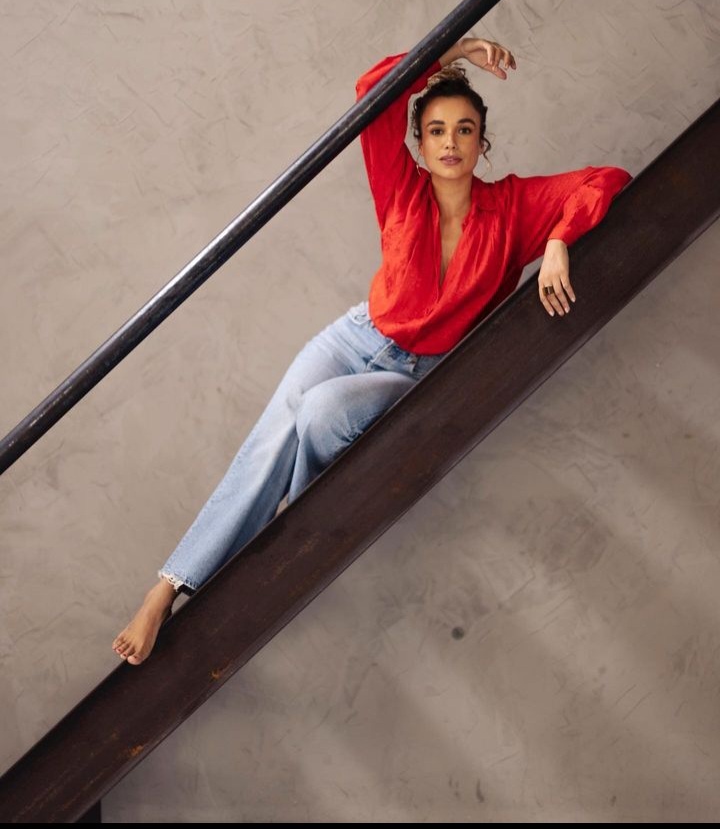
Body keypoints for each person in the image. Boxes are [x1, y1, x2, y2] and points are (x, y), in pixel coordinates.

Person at [112, 36, 631, 665]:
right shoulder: (399, 186)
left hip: (416, 375)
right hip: (354, 337)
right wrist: (457, 49)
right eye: (436, 130)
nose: (449, 142)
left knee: (319, 414)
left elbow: (606, 179)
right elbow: (371, 92)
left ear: (481, 143)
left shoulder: (514, 208)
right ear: (419, 143)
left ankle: (275, 532)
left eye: (464, 130)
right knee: (271, 434)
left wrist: (557, 240)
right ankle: (166, 589)